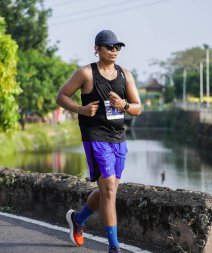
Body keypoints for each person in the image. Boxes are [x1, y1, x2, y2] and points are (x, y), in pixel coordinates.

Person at [56, 30, 141, 253]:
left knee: (108, 190)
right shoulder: (86, 73)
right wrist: (81, 109)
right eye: (109, 47)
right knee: (110, 190)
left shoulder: (126, 75)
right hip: (95, 136)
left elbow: (137, 108)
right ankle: (114, 247)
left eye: (117, 48)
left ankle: (78, 219)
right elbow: (62, 96)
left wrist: (123, 105)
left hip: (118, 138)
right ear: (97, 48)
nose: (114, 51)